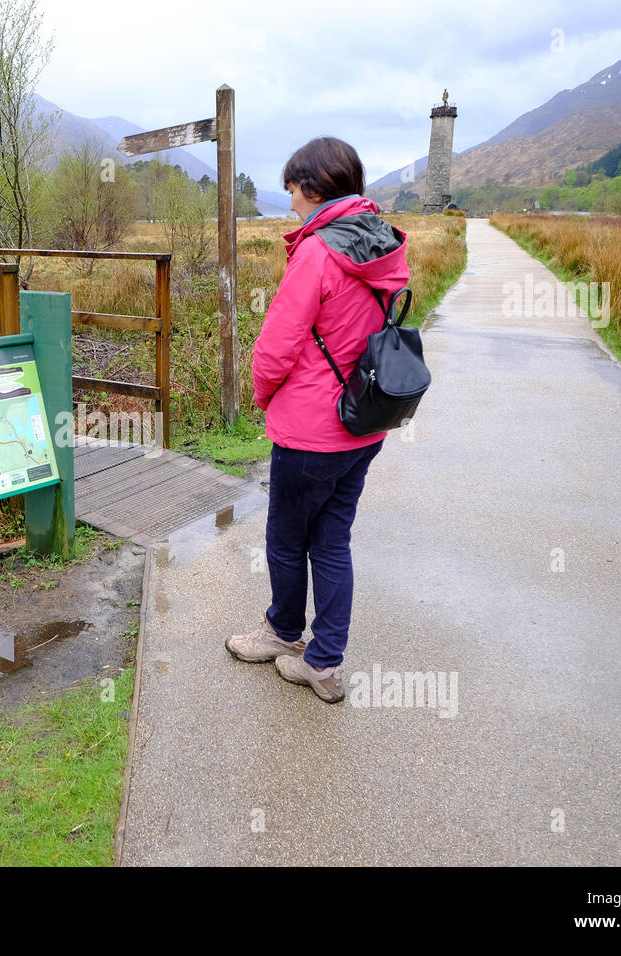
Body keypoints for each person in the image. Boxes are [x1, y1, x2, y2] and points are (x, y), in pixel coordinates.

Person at [225, 136, 409, 703]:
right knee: (331, 542)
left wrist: (262, 397)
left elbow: (276, 347)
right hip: (365, 420)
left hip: (310, 430)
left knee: (284, 538)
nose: (290, 206)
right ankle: (323, 664)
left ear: (314, 187)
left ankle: (283, 634)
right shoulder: (385, 244)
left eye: (292, 192)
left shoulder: (316, 252)